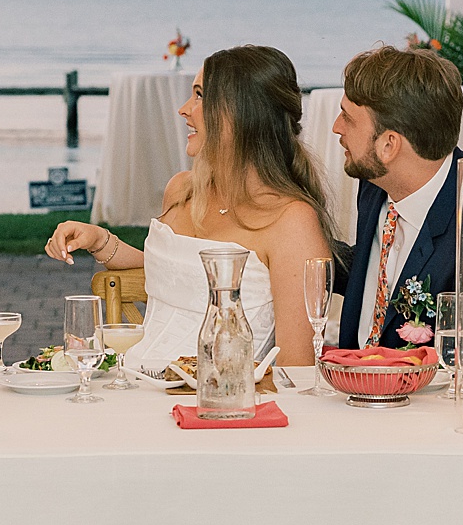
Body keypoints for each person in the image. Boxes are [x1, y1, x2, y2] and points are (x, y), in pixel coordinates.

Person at [44, 45, 333, 367]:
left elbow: (299, 368)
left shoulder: (292, 222)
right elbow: (181, 277)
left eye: (199, 96)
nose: (183, 109)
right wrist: (100, 240)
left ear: (242, 114)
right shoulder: (182, 190)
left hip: (219, 403)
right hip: (131, 378)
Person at [330, 45, 463, 350]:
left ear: (389, 145)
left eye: (348, 118)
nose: (336, 127)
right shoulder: (375, 183)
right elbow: (379, 272)